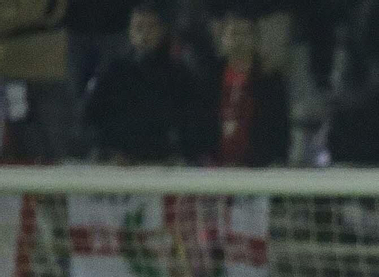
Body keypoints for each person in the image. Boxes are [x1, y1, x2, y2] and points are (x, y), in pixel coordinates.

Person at [80, 3, 204, 164]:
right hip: (118, 160)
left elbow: (192, 123)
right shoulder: (113, 70)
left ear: (163, 31)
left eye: (151, 28)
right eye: (139, 28)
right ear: (130, 31)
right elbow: (90, 116)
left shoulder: (179, 74)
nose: (144, 35)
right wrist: (109, 151)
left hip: (166, 161)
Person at [204, 9, 290, 166]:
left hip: (256, 166)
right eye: (234, 33)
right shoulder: (210, 78)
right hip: (214, 166)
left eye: (245, 34)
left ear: (256, 39)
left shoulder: (269, 81)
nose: (239, 40)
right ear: (223, 38)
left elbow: (278, 127)